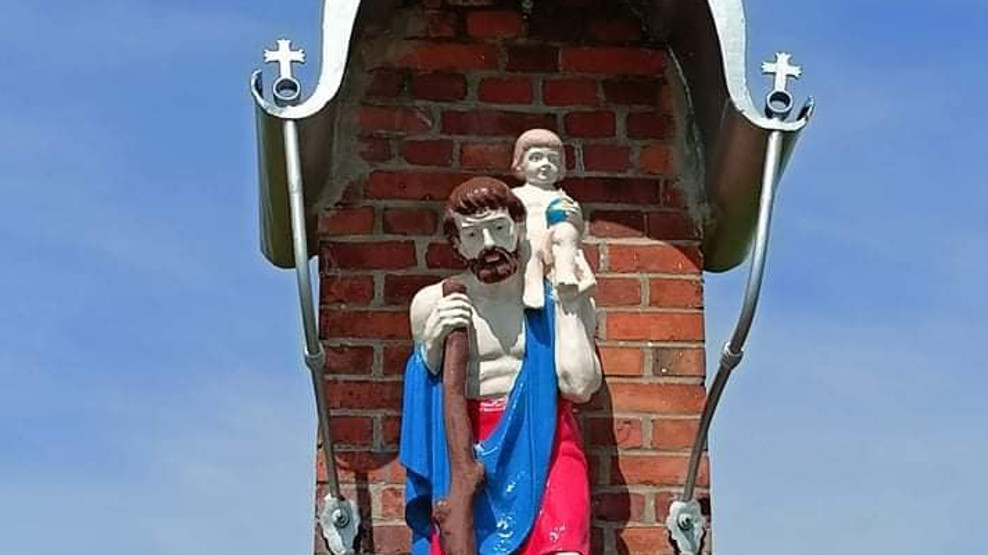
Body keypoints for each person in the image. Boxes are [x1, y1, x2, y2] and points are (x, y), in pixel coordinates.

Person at [400, 177, 602, 555]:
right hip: (466, 442)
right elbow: (421, 391)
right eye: (473, 235)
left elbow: (579, 386)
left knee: (564, 546)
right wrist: (430, 346)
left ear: (518, 227)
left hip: (545, 438)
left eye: (498, 228)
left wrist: (570, 304)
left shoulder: (554, 297)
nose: (489, 244)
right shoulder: (432, 303)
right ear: (458, 245)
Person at [510, 129, 596, 309]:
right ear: (520, 164)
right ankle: (532, 286)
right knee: (531, 246)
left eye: (553, 159)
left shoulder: (562, 197)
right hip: (527, 246)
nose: (545, 164)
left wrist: (576, 221)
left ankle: (566, 275)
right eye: (536, 158)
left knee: (566, 232)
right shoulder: (515, 195)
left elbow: (576, 232)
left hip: (557, 249)